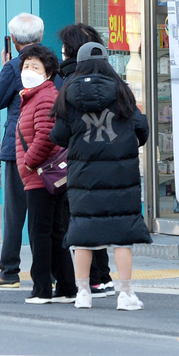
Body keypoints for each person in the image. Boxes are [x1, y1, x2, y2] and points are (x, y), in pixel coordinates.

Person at [53, 42, 150, 311]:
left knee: (83, 233)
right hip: (121, 175)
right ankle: (126, 294)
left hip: (83, 176)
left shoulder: (68, 93)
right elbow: (142, 129)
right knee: (121, 236)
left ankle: (83, 293)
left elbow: (58, 136)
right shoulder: (122, 92)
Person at [0, 12, 45, 288]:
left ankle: (9, 270)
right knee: (43, 213)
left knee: (14, 213)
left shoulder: (14, 66)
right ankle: (46, 271)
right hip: (47, 146)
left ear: (13, 40)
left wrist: (5, 66)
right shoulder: (50, 64)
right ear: (40, 38)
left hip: (17, 147)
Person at [15, 44, 76, 304]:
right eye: (26, 66)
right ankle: (65, 287)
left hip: (41, 175)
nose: (28, 70)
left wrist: (28, 163)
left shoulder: (45, 96)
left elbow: (46, 136)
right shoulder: (33, 95)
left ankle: (42, 289)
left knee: (40, 233)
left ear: (48, 72)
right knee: (54, 232)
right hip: (40, 175)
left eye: (35, 67)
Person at [57, 23, 114, 297]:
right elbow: (139, 128)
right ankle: (104, 277)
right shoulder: (115, 83)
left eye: (65, 47)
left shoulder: (66, 82)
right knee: (100, 220)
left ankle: (89, 282)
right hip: (112, 165)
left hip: (78, 164)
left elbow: (59, 132)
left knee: (78, 222)